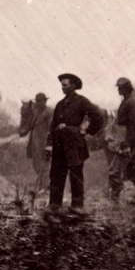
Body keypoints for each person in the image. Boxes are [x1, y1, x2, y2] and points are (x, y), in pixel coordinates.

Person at [48, 73, 105, 211]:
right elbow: (53, 126)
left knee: (75, 174)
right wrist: (49, 144)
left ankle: (77, 206)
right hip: (59, 144)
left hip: (74, 144)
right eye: (61, 85)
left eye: (65, 85)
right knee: (56, 174)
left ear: (73, 86)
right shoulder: (60, 104)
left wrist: (87, 131)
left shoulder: (82, 101)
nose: (62, 88)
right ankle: (55, 205)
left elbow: (99, 117)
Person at [108, 77, 135, 205]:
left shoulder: (131, 103)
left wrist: (127, 144)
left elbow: (133, 125)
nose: (118, 90)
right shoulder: (127, 101)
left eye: (120, 88)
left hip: (129, 142)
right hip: (130, 142)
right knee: (134, 171)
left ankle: (115, 200)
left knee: (115, 171)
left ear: (126, 88)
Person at [18, 92, 53, 191]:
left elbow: (51, 128)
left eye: (39, 101)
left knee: (45, 165)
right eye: (36, 101)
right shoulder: (36, 112)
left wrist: (49, 144)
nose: (37, 103)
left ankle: (45, 187)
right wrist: (23, 131)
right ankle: (43, 186)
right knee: (36, 164)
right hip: (34, 143)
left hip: (44, 143)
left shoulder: (49, 112)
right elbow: (30, 124)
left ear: (44, 101)